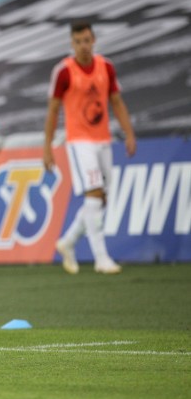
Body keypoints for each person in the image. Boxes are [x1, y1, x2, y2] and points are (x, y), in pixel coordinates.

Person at [44, 21, 136, 275]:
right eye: (78, 41)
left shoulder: (106, 67)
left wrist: (129, 134)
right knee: (94, 194)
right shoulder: (63, 71)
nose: (83, 45)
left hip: (103, 139)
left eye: (86, 40)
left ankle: (68, 242)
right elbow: (52, 110)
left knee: (101, 198)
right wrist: (47, 147)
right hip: (79, 141)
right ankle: (101, 258)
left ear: (93, 40)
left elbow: (116, 101)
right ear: (72, 43)